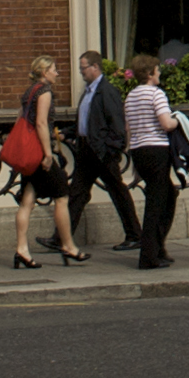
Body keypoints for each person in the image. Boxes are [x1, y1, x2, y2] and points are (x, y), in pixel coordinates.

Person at [7, 55, 82, 269]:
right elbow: (40, 123)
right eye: (54, 69)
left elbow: (20, 119)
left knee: (27, 201)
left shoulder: (28, 92)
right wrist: (48, 154)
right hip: (39, 153)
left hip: (28, 154)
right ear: (43, 71)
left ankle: (22, 250)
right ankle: (68, 245)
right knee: (62, 195)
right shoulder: (44, 92)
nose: (57, 73)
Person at [71, 53, 138, 252]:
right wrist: (70, 133)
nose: (81, 72)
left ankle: (135, 234)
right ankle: (61, 237)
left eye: (83, 68)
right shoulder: (89, 92)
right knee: (77, 194)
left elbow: (117, 124)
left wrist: (111, 150)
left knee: (118, 192)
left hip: (101, 152)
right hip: (86, 150)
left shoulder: (106, 91)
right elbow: (87, 122)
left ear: (95, 67)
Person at [121, 54, 181, 268]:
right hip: (156, 150)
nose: (159, 72)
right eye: (157, 69)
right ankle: (149, 255)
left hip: (139, 151)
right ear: (149, 73)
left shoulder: (130, 97)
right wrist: (178, 120)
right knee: (156, 203)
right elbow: (166, 124)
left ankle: (158, 248)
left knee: (167, 196)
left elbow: (128, 129)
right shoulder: (156, 94)